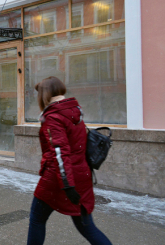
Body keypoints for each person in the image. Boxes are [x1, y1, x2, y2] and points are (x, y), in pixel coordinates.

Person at [27, 77, 111, 245]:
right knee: (86, 227)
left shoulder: (53, 117)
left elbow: (60, 153)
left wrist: (68, 185)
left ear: (45, 95)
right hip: (81, 175)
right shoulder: (74, 110)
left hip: (57, 180)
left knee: (37, 219)